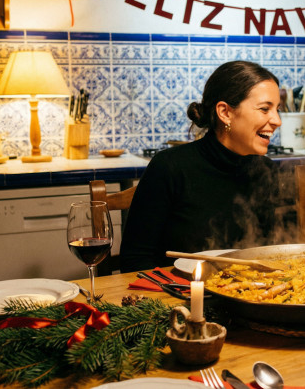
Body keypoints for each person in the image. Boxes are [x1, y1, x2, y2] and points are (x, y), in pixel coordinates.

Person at [120, 60, 282, 272]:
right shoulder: (170, 167)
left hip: (252, 289)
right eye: (265, 109)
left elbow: (277, 251)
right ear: (225, 112)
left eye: (277, 109)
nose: (277, 120)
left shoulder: (266, 171)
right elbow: (134, 261)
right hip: (178, 289)